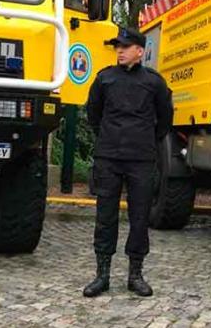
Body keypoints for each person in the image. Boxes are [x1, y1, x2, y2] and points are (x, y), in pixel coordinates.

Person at [83, 27, 173, 298]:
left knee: (139, 217)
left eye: (124, 46)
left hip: (141, 160)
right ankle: (102, 275)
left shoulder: (154, 82)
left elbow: (165, 119)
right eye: (117, 47)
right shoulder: (104, 79)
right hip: (109, 157)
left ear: (139, 51)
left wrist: (145, 140)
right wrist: (110, 138)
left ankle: (135, 274)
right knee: (105, 216)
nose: (119, 51)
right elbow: (93, 114)